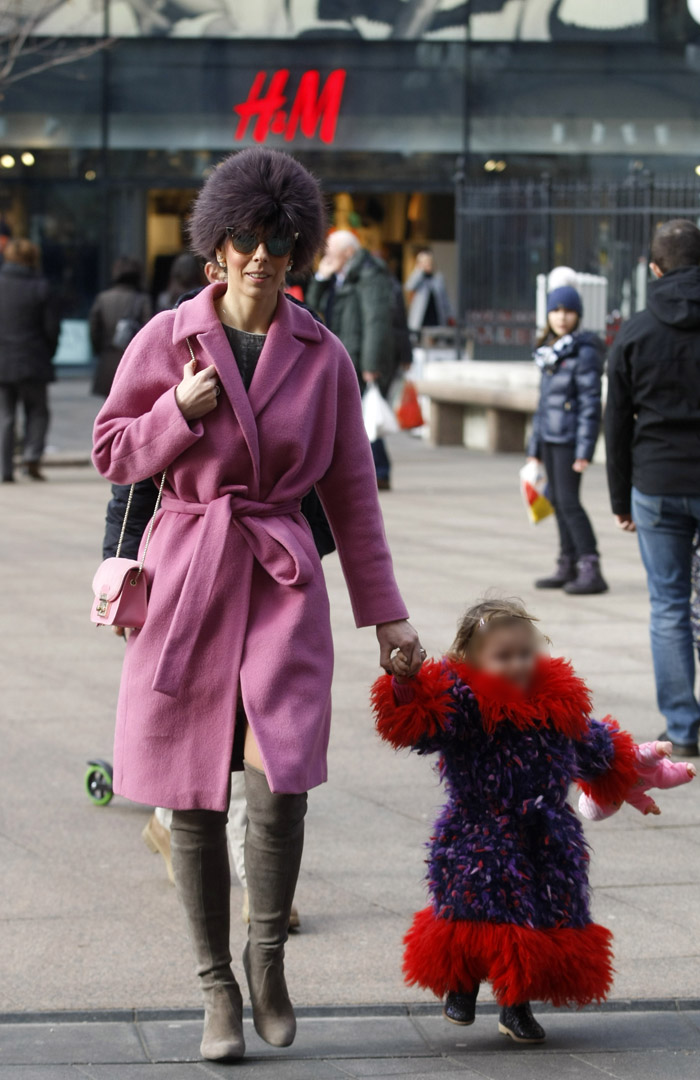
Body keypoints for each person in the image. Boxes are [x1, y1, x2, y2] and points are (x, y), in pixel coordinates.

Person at [92, 146, 424, 1063]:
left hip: (280, 577)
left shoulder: (324, 353)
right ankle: (215, 991)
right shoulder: (165, 339)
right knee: (192, 791)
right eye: (246, 238)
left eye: (279, 240)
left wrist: (385, 612)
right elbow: (114, 451)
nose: (261, 253)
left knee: (279, 777)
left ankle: (266, 956)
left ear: (297, 250)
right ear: (216, 249)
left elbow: (354, 494)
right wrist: (179, 415)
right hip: (189, 575)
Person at [372, 597, 695, 1044]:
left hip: (545, 834)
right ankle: (461, 985)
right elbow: (423, 725)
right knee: (476, 908)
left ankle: (515, 1005)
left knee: (534, 917)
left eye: (525, 653)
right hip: (478, 831)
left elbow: (592, 746)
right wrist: (406, 684)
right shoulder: (465, 706)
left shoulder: (556, 704)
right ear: (469, 659)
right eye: (503, 657)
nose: (517, 664)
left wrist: (629, 766)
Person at [606, 218, 700, 758]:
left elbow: (616, 423)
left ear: (654, 268)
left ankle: (683, 729)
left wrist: (621, 499)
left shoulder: (636, 333)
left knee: (668, 605)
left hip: (658, 481)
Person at [527, 285, 607, 595]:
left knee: (570, 503)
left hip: (570, 440)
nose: (562, 317)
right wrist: (533, 447)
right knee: (558, 501)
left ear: (578, 315)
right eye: (556, 310)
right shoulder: (550, 350)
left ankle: (590, 565)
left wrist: (584, 449)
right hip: (549, 436)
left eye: (568, 311)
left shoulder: (583, 351)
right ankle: (567, 562)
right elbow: (543, 403)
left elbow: (590, 403)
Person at [306, 230, 395, 490]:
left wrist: (371, 364)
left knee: (365, 415)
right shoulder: (341, 276)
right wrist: (321, 277)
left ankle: (379, 471)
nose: (327, 255)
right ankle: (371, 470)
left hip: (358, 356)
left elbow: (375, 320)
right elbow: (310, 306)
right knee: (355, 416)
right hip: (343, 352)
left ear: (347, 252)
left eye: (331, 250)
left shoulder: (369, 273)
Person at [0, 239, 60, 483]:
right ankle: (31, 458)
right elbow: (52, 329)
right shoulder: (41, 287)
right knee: (38, 411)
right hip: (33, 359)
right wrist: (48, 352)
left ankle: (4, 468)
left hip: (2, 361)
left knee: (5, 415)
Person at [89, 256, 152, 397]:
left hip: (108, 360)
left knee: (109, 407)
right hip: (133, 363)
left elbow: (94, 330)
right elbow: (149, 330)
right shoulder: (142, 300)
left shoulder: (103, 298)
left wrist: (99, 351)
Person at [405, 247, 454, 336]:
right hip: (421, 317)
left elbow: (445, 298)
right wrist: (419, 270)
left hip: (436, 315)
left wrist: (450, 315)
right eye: (425, 262)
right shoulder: (418, 277)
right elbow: (409, 286)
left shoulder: (438, 278)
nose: (428, 264)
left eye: (429, 261)